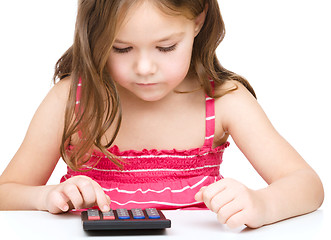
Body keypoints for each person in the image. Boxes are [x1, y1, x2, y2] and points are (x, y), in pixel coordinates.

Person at [0, 0, 324, 229]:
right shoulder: (72, 100)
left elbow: (307, 185)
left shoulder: (224, 101)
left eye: (166, 46)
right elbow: (6, 191)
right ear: (96, 36)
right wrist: (46, 196)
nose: (144, 68)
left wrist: (262, 204)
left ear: (198, 21)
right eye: (121, 48)